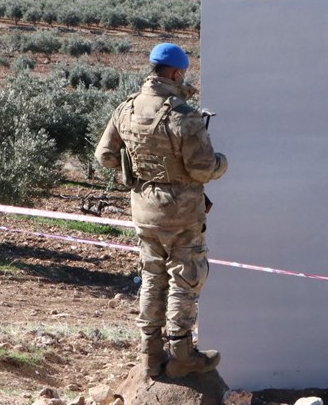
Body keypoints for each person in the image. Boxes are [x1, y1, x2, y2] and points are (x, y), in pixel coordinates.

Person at [94, 43, 228, 379]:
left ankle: (150, 357)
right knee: (186, 277)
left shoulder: (124, 110)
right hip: (182, 214)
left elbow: (105, 157)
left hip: (144, 210)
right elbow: (202, 169)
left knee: (152, 277)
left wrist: (139, 168)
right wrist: (222, 164)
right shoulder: (184, 116)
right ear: (176, 73)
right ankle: (182, 352)